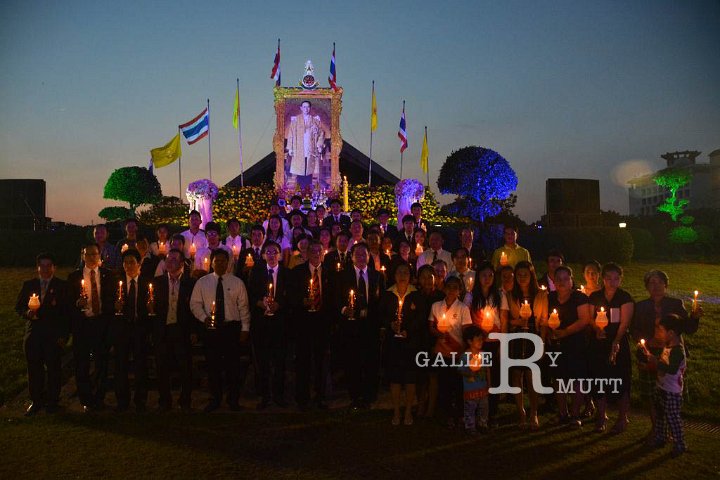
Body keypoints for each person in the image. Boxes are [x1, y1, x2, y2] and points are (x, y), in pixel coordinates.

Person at [190, 249, 251, 412]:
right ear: (211, 263)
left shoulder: (237, 283)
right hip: (211, 329)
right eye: (217, 261)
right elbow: (195, 303)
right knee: (213, 366)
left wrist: (245, 328)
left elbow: (243, 307)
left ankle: (233, 400)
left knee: (233, 366)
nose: (220, 264)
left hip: (231, 328)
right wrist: (204, 318)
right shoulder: (202, 282)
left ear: (228, 263)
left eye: (223, 261)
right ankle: (215, 399)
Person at [15, 253, 70, 416]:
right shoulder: (29, 285)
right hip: (34, 334)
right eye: (42, 266)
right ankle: (36, 401)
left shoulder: (62, 286)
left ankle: (53, 402)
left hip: (53, 335)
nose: (45, 269)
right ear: (37, 268)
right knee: (34, 369)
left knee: (54, 370)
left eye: (49, 266)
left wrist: (64, 335)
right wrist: (27, 313)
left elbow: (67, 313)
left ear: (54, 268)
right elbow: (19, 306)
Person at [67, 244, 115, 412]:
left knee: (102, 362)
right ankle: (86, 398)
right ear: (83, 256)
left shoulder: (108, 275)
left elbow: (111, 298)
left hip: (101, 323)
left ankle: (99, 397)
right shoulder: (74, 277)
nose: (92, 257)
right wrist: (76, 303)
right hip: (83, 324)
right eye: (88, 254)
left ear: (99, 255)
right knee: (82, 363)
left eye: (95, 254)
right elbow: (67, 302)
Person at [587, 263, 634, 434]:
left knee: (621, 379)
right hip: (599, 343)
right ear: (603, 279)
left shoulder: (625, 297)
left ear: (620, 279)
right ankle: (601, 416)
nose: (612, 282)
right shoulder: (595, 296)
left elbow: (625, 322)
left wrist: (616, 341)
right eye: (608, 278)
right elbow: (590, 317)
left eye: (616, 278)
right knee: (599, 378)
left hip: (618, 343)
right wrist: (596, 329)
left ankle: (622, 418)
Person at [338, 243, 384, 409]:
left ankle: (369, 395)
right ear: (352, 257)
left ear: (369, 256)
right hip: (351, 326)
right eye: (357, 254)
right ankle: (355, 395)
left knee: (371, 362)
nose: (361, 257)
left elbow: (381, 302)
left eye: (364, 254)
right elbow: (336, 298)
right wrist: (344, 310)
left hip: (371, 326)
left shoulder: (377, 276)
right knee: (353, 361)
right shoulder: (343, 276)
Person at [151, 248, 197, 412]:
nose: (170, 262)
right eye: (168, 259)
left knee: (185, 367)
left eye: (174, 260)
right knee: (162, 367)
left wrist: (193, 331)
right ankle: (165, 400)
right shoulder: (158, 282)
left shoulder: (190, 283)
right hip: (163, 329)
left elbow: (195, 308)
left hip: (182, 329)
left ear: (182, 263)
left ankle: (185, 400)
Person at [247, 242, 291, 409]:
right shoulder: (256, 272)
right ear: (264, 255)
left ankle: (279, 395)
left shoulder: (286, 273)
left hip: (280, 323)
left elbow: (291, 294)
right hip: (261, 323)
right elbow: (250, 294)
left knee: (280, 362)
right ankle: (264, 396)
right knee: (262, 362)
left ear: (279, 255)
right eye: (268, 252)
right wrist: (260, 303)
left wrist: (279, 304)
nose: (272, 255)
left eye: (275, 252)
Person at [290, 241, 332, 410]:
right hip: (303, 323)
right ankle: (302, 397)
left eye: (319, 251)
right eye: (313, 251)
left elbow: (333, 297)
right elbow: (291, 295)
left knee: (321, 362)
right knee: (303, 361)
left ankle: (320, 396)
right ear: (307, 253)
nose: (316, 254)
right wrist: (302, 301)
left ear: (323, 254)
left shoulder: (329, 272)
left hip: (322, 323)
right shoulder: (297, 272)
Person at [506, 261, 548, 430]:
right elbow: (507, 319)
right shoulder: (510, 295)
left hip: (533, 335)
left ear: (532, 275)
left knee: (531, 376)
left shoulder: (541, 295)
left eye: (526, 274)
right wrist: (517, 321)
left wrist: (542, 342)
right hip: (517, 336)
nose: (522, 278)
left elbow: (544, 320)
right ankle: (521, 412)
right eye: (519, 275)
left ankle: (533, 413)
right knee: (517, 374)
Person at [548, 265, 591, 428]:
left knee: (576, 379)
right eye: (558, 279)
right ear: (554, 281)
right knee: (558, 378)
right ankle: (562, 412)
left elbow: (584, 320)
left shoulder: (579, 298)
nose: (562, 282)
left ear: (571, 280)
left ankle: (575, 414)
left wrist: (565, 332)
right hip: (556, 343)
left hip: (575, 342)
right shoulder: (550, 297)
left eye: (566, 279)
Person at [110, 249, 151, 413]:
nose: (129, 266)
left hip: (140, 329)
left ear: (139, 264)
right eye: (126, 263)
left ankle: (140, 400)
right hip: (122, 330)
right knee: (121, 366)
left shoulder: (146, 283)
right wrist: (115, 307)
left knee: (141, 366)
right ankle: (122, 400)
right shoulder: (116, 284)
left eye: (132, 262)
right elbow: (108, 307)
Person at [429, 276, 472, 428]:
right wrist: (438, 333)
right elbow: (431, 326)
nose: (451, 290)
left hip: (457, 351)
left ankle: (460, 414)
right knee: (444, 383)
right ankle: (446, 414)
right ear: (444, 288)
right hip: (441, 351)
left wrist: (465, 350)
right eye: (449, 287)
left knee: (458, 385)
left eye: (455, 287)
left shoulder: (463, 308)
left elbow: (466, 331)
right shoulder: (436, 306)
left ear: (460, 291)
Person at [470, 261, 509, 427]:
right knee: (478, 378)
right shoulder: (471, 296)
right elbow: (468, 321)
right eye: (484, 275)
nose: (487, 278)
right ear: (478, 277)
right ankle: (476, 412)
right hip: (478, 343)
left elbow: (504, 320)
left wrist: (502, 343)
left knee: (493, 378)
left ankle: (492, 413)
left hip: (494, 341)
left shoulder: (500, 295)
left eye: (490, 275)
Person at [380, 263, 420, 426]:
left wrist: (408, 330)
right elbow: (381, 315)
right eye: (399, 272)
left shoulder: (416, 295)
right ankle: (396, 411)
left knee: (410, 378)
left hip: (410, 343)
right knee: (395, 378)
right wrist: (390, 324)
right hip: (393, 343)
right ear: (394, 275)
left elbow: (420, 317)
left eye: (406, 272)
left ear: (410, 276)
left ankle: (408, 411)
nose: (402, 275)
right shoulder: (388, 294)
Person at [643, 314, 688, 457]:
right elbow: (663, 363)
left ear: (671, 333)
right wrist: (651, 360)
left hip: (672, 392)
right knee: (660, 415)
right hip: (662, 387)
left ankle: (680, 444)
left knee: (672, 418)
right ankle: (661, 437)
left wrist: (655, 362)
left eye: (661, 330)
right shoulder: (668, 347)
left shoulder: (678, 351)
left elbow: (671, 369)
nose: (658, 333)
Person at [413, 265, 445, 418]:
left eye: (430, 277)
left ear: (435, 279)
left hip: (435, 340)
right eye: (423, 277)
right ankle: (420, 404)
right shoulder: (414, 296)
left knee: (433, 375)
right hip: (418, 340)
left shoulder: (440, 297)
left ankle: (431, 407)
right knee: (420, 375)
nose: (427, 280)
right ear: (418, 279)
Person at [458, 325, 491, 434]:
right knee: (470, 408)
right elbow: (460, 370)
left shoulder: (484, 355)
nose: (481, 342)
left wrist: (489, 384)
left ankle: (483, 423)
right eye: (478, 340)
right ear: (469, 341)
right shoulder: (465, 356)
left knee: (484, 407)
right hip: (470, 389)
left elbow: (487, 370)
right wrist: (469, 373)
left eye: (482, 339)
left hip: (482, 388)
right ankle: (470, 426)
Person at [286, 100, 325, 188]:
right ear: (301, 108)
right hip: (299, 148)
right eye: (304, 107)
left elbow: (321, 133)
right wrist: (290, 148)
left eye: (307, 107)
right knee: (300, 169)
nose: (306, 109)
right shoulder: (295, 120)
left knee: (309, 169)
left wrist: (319, 145)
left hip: (310, 148)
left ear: (310, 108)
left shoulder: (315, 120)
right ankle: (299, 190)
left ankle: (308, 190)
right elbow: (291, 134)